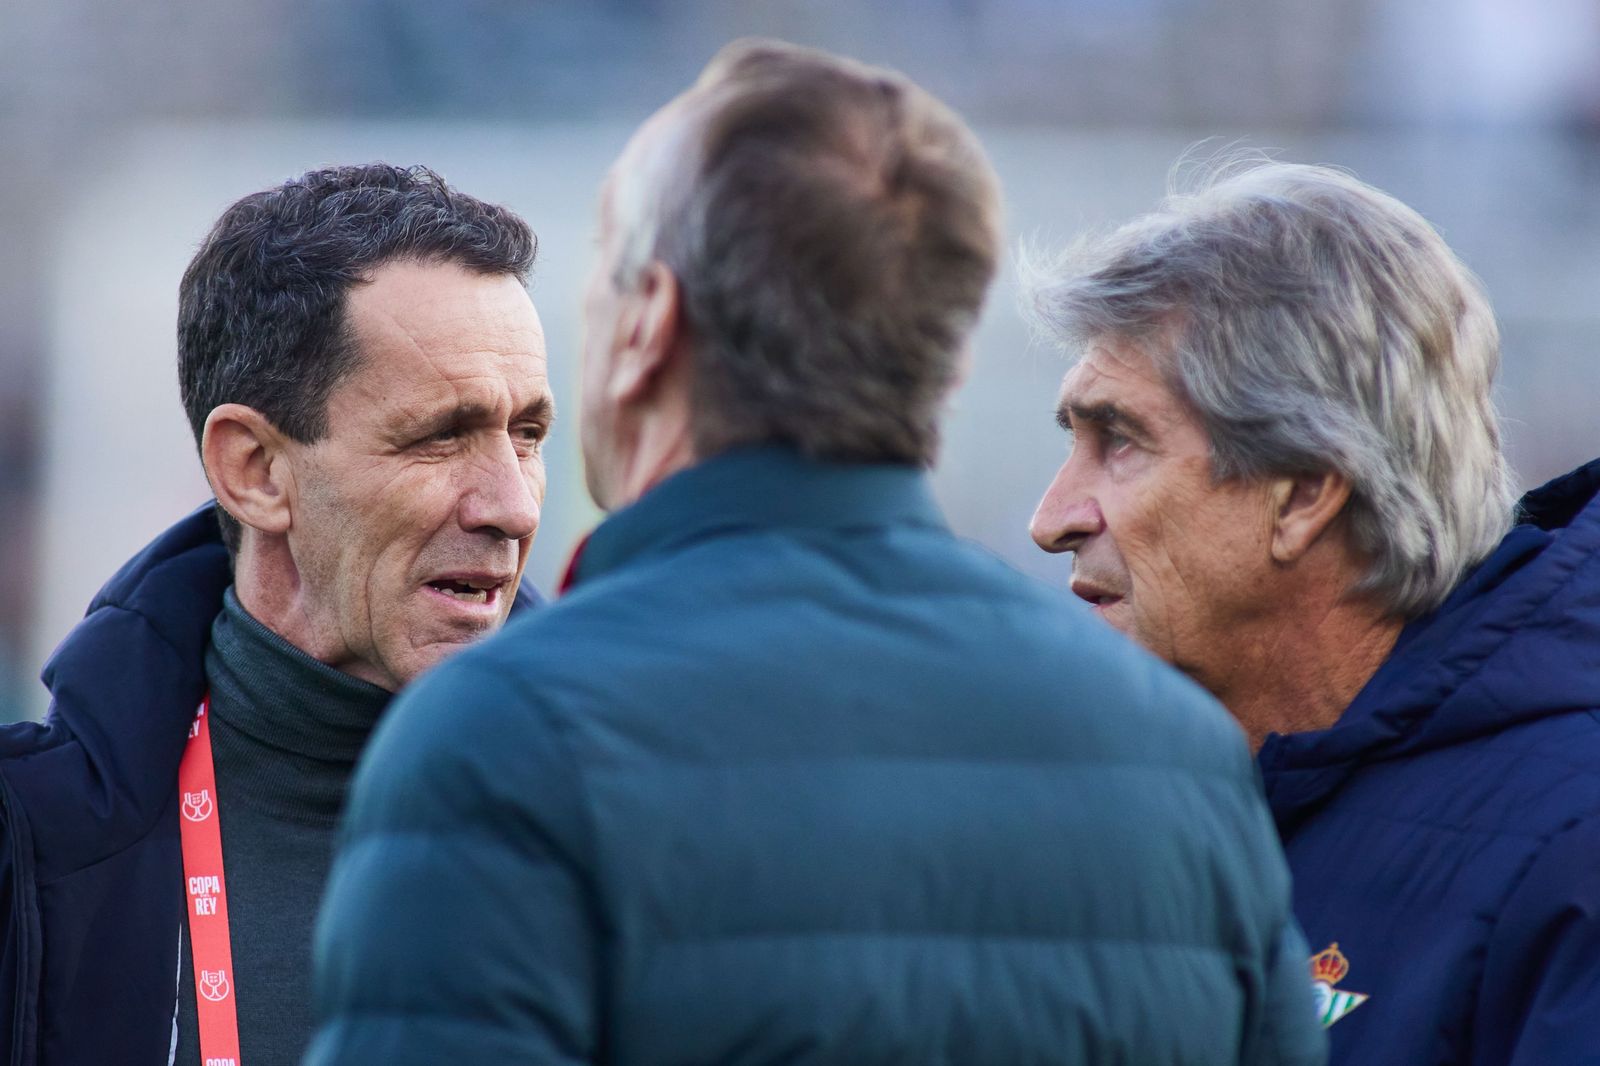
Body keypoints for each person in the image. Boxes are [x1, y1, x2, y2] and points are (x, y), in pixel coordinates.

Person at [308, 42, 1325, 1066]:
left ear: (649, 323)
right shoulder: (1176, 758)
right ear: (945, 358)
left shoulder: (503, 741)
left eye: (601, 280)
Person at [1026, 159, 1600, 1064]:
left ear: (1302, 496)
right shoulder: (1144, 814)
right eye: (1073, 440)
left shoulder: (1573, 849)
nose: (1051, 517)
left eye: (1121, 441)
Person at [0, 163, 553, 1066]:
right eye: (441, 435)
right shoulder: (37, 854)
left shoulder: (647, 819)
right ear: (255, 471)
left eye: (527, 434)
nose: (514, 505)